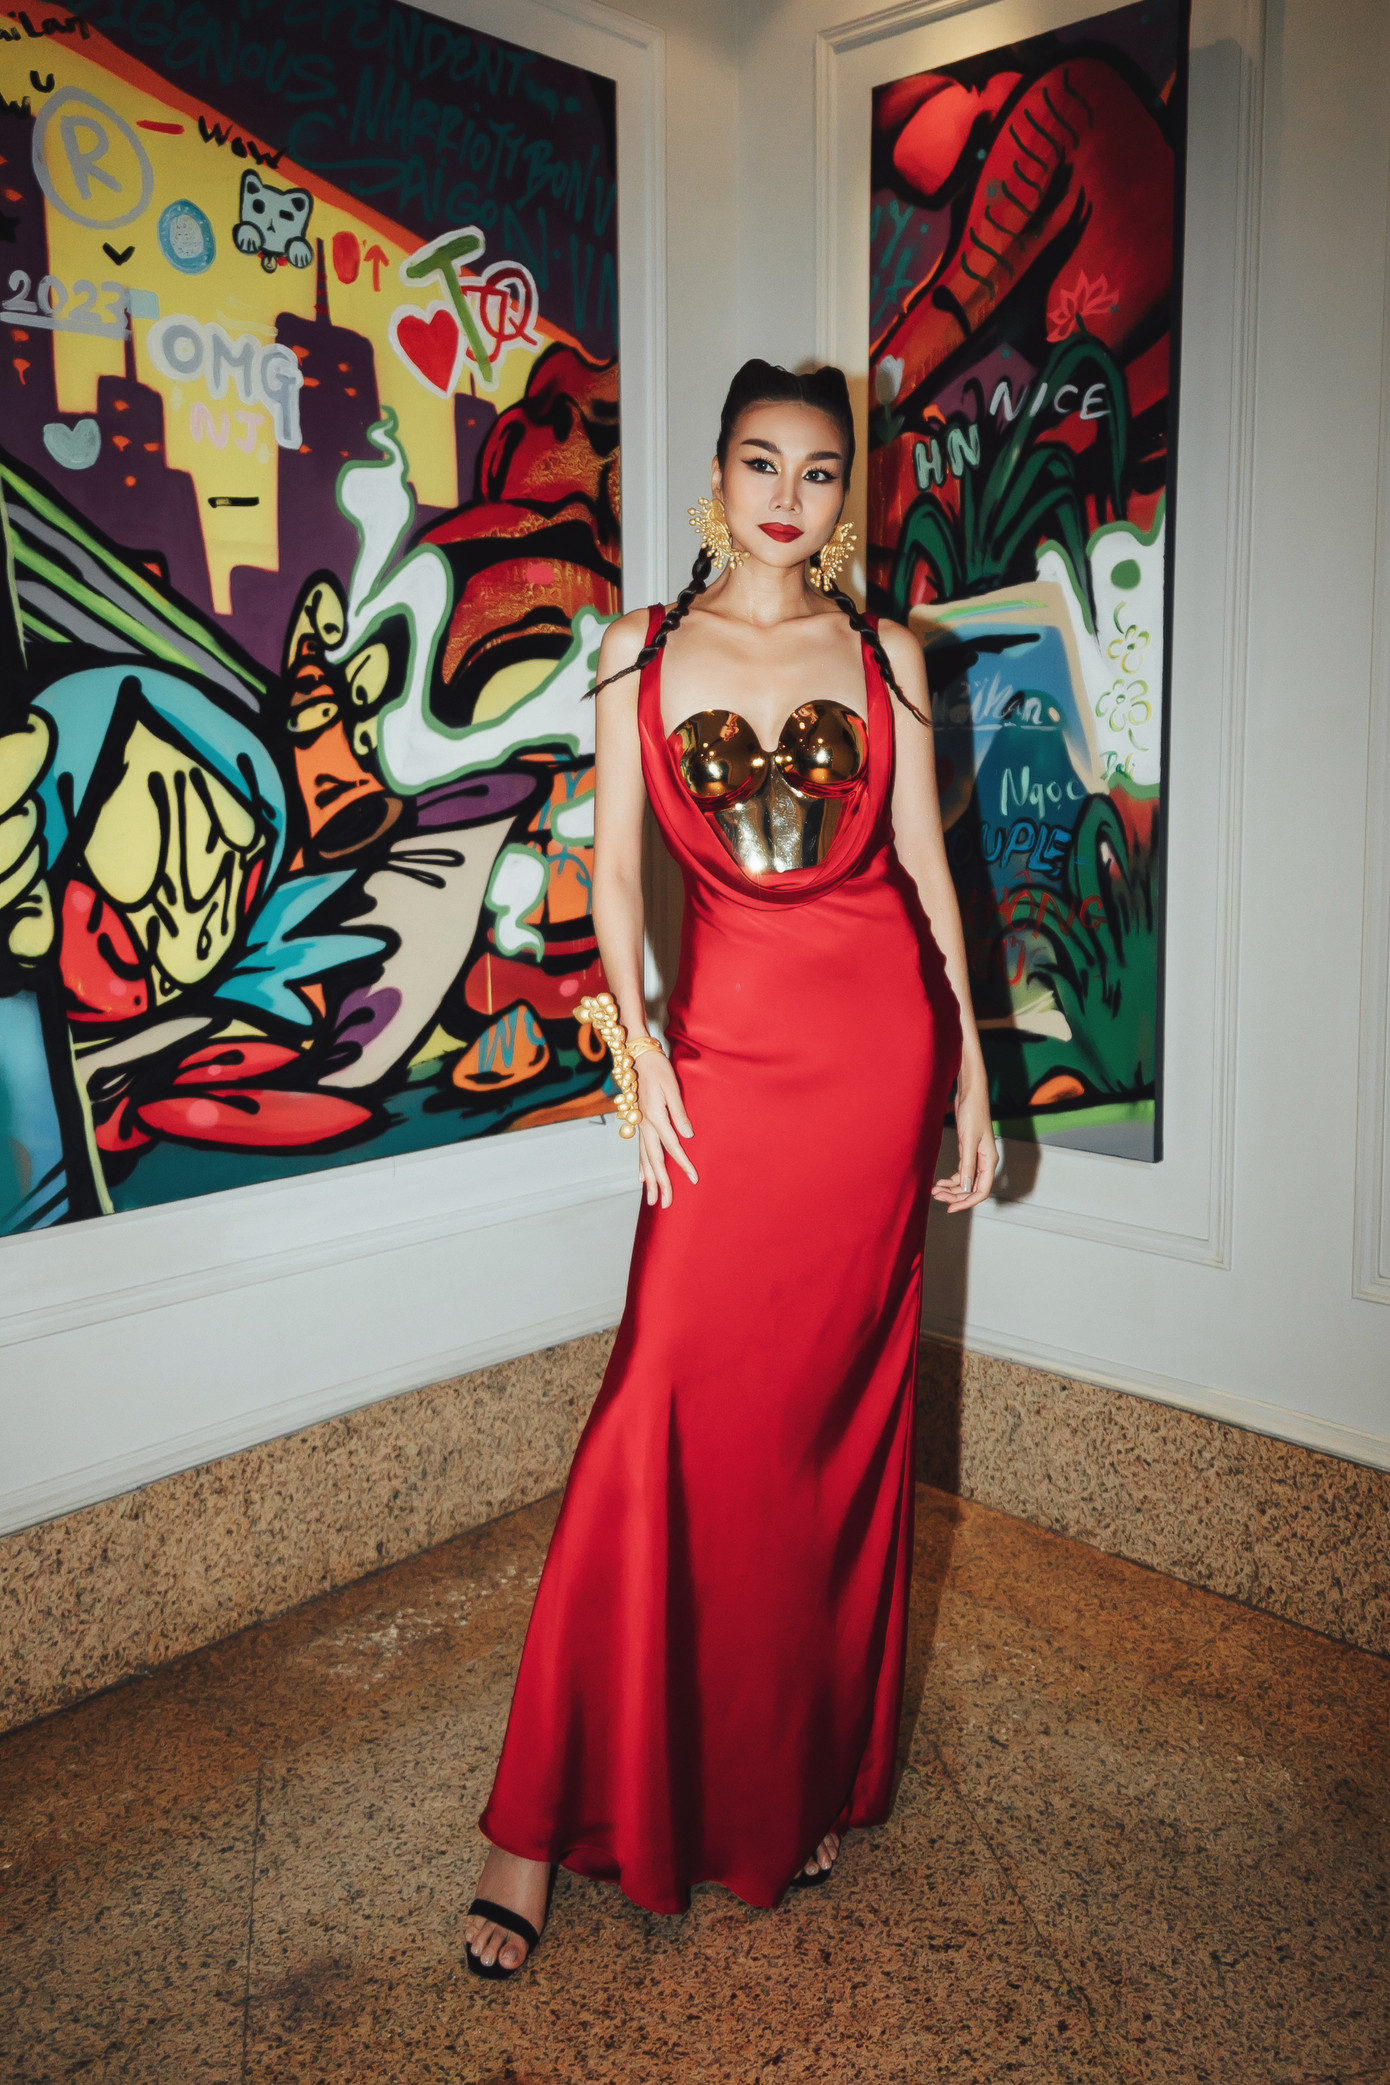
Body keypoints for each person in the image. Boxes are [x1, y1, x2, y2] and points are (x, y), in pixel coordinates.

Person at [464, 361, 997, 1977]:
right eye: (762, 462)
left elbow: (926, 871)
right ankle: (525, 1828)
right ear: (717, 473)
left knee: (823, 1429)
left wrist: (973, 1066)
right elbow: (615, 874)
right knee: (657, 1401)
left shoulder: (886, 655)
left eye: (819, 471)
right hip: (721, 1065)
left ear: (847, 494)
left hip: (874, 1061)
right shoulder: (637, 648)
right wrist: (636, 1057)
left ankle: (792, 1773)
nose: (788, 496)